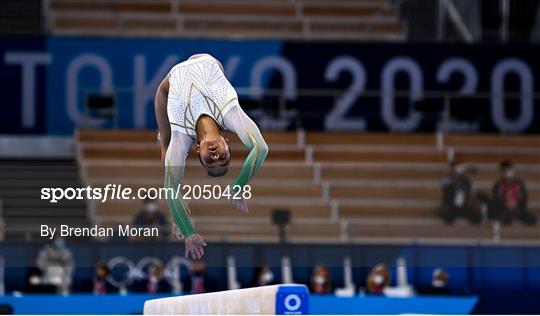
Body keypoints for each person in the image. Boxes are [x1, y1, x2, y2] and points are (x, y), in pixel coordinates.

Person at [155, 53, 269, 259]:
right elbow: (261, 148)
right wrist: (239, 185)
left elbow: (170, 190)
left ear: (198, 150)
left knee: (167, 154)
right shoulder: (230, 114)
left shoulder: (182, 137)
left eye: (209, 161)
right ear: (227, 143)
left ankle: (178, 214)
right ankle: (178, 213)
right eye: (223, 158)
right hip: (208, 61)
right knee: (168, 156)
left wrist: (188, 232)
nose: (215, 157)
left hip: (167, 86)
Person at [491, 160, 537, 225]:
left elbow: (524, 198)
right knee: (503, 218)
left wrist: (518, 209)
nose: (508, 172)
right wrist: (506, 208)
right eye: (505, 170)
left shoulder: (519, 183)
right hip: (505, 211)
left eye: (509, 169)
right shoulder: (498, 184)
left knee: (532, 219)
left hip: (518, 210)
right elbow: (496, 200)